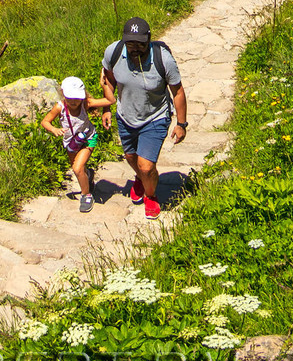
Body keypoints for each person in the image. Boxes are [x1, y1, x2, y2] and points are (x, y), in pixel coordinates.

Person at [100, 17, 187, 219]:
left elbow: (178, 92)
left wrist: (181, 123)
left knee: (146, 166)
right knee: (131, 157)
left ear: (149, 40)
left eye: (140, 43)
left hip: (155, 116)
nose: (135, 48)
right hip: (125, 116)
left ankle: (151, 195)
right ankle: (140, 179)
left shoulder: (163, 59)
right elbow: (108, 79)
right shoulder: (113, 52)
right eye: (131, 43)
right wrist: (107, 107)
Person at [39, 75, 99, 215]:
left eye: (77, 98)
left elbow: (110, 100)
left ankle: (86, 195)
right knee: (78, 169)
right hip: (71, 142)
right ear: (63, 93)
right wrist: (54, 129)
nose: (74, 101)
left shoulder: (85, 104)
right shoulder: (60, 107)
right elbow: (45, 121)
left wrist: (104, 82)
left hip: (89, 138)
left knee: (78, 168)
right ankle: (88, 175)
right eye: (70, 97)